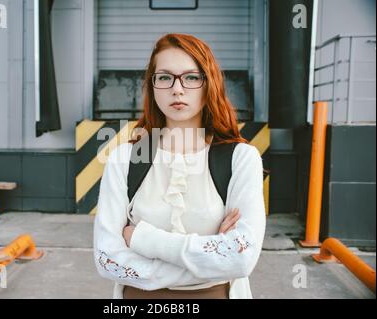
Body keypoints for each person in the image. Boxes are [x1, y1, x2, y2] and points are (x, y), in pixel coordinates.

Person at [93, 33, 266, 299]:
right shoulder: (125, 159)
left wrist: (141, 239)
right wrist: (213, 257)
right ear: (152, 87)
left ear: (210, 84)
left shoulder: (241, 158)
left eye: (191, 77)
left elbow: (242, 259)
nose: (177, 88)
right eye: (164, 77)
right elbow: (107, 258)